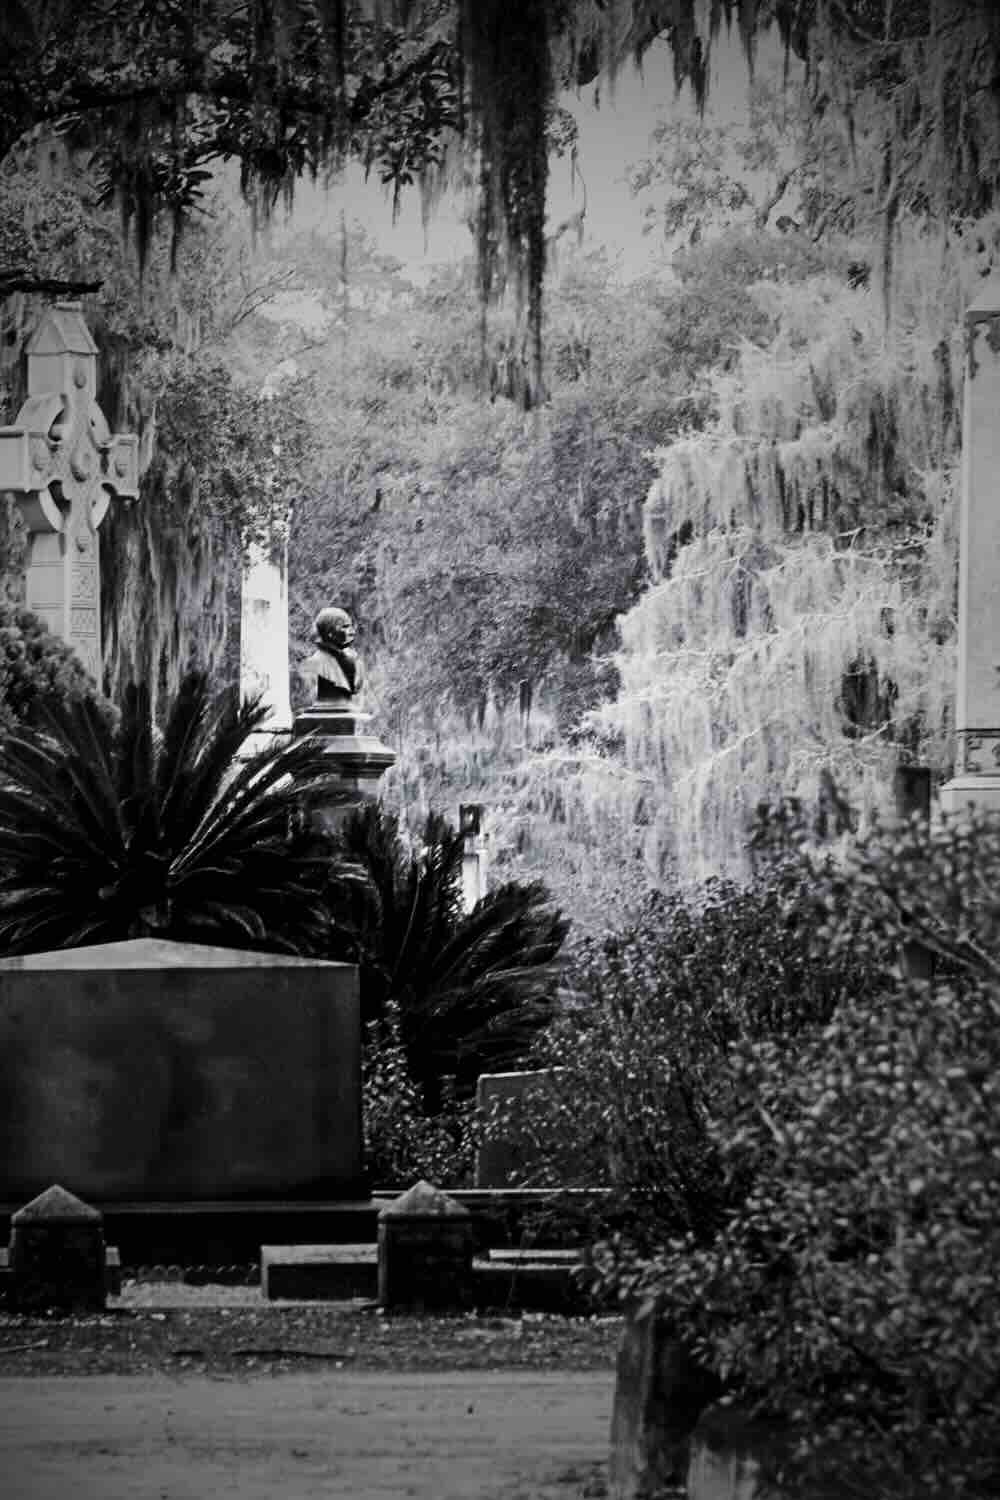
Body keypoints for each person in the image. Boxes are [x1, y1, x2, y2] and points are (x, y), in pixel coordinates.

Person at [302, 606, 364, 705]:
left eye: (351, 626)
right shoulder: (313, 664)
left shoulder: (354, 661)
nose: (352, 632)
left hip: (347, 711)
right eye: (345, 627)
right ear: (330, 632)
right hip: (325, 713)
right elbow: (310, 695)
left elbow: (357, 690)